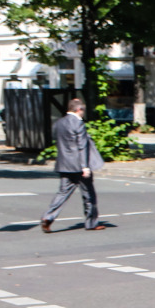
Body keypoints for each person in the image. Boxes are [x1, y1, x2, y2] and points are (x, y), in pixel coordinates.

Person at [40, 98, 105, 233]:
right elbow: (82, 146)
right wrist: (85, 166)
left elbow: (56, 141)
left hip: (64, 164)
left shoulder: (59, 123)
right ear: (79, 109)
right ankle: (91, 223)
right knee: (89, 195)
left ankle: (48, 217)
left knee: (63, 193)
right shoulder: (78, 123)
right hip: (79, 165)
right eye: (83, 110)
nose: (83, 113)